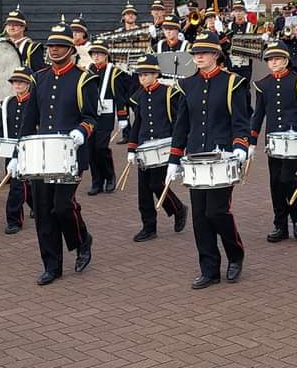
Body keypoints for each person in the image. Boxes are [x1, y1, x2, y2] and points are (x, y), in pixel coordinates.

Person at [11, 21, 98, 285]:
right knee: (43, 210)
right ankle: (52, 265)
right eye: (52, 46)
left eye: (61, 46)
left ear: (71, 49)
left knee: (62, 207)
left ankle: (81, 240)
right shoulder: (39, 78)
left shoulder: (84, 78)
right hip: (41, 155)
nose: (55, 50)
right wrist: (18, 154)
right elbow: (29, 119)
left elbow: (92, 117)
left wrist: (81, 132)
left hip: (70, 154)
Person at [167, 31, 250, 289]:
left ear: (216, 54)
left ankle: (235, 254)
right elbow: (181, 125)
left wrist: (240, 146)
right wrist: (174, 159)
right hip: (194, 157)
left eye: (204, 52)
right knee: (201, 217)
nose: (199, 56)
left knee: (217, 211)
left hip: (222, 156)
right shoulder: (186, 85)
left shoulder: (232, 82)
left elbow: (240, 120)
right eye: (196, 53)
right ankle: (209, 268)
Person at [250, 42, 297, 242]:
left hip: (292, 140)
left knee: (287, 178)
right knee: (275, 183)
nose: (274, 62)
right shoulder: (263, 84)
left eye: (277, 58)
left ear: (286, 60)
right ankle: (280, 224)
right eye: (270, 59)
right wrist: (251, 141)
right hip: (272, 141)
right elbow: (258, 114)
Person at [125, 54, 188, 241]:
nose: (142, 78)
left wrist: (177, 146)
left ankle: (178, 209)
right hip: (145, 147)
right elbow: (137, 124)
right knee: (143, 191)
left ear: (156, 74)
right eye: (140, 75)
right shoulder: (140, 96)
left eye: (146, 74)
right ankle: (149, 226)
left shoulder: (169, 93)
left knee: (156, 183)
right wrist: (131, 148)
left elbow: (179, 122)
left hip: (163, 146)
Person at [85, 41, 133, 195]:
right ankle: (96, 181)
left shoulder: (114, 72)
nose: (96, 56)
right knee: (91, 149)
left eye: (99, 53)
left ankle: (109, 175)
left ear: (106, 55)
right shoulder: (88, 70)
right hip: (90, 116)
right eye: (94, 53)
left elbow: (120, 96)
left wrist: (122, 117)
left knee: (101, 147)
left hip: (106, 116)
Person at [0, 68, 36, 234]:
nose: (18, 84)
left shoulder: (34, 103)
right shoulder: (8, 102)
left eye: (21, 81)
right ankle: (37, 206)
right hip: (11, 150)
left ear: (29, 84)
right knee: (23, 183)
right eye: (15, 81)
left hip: (28, 149)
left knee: (17, 186)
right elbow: (3, 127)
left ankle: (14, 220)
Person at [3, 6, 44, 73]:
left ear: (23, 28)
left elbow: (39, 74)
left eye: (15, 25)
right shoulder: (2, 46)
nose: (11, 28)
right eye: (9, 25)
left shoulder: (33, 48)